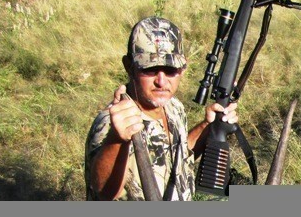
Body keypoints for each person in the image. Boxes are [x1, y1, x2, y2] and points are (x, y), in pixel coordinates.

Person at [85, 17, 238, 200]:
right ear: (129, 67)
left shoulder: (173, 106)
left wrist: (208, 125)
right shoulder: (111, 124)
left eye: (170, 70)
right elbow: (104, 191)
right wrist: (116, 140)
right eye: (150, 69)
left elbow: (180, 154)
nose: (161, 81)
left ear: (182, 69)